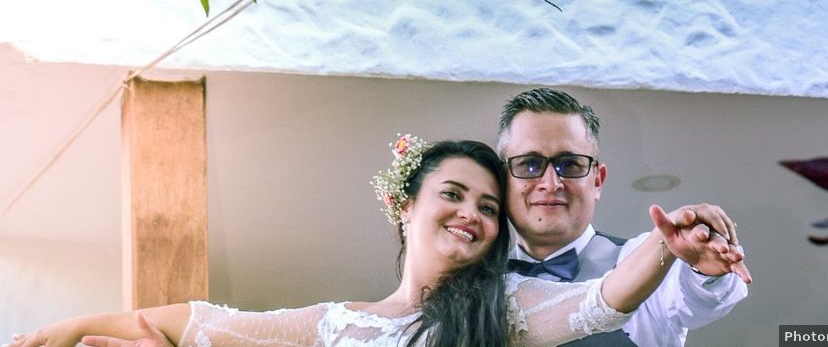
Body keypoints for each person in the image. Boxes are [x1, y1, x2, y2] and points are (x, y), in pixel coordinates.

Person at [6, 136, 747, 347]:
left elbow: (602, 301)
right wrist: (65, 330)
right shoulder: (336, 324)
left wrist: (667, 247)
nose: (471, 215)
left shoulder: (508, 309)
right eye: (452, 195)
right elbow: (199, 323)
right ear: (405, 208)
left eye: (489, 207)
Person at [498, 88, 751, 346]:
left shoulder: (647, 254)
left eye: (570, 164)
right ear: (502, 180)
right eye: (529, 164)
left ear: (597, 180)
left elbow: (697, 298)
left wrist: (702, 267)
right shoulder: (478, 281)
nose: (551, 183)